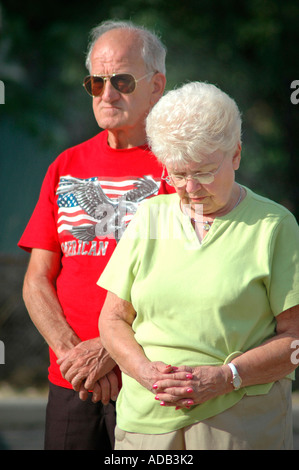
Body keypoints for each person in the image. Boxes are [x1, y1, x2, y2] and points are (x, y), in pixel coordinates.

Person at [98, 81, 299, 450]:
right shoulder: (151, 216)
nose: (190, 188)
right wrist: (145, 373)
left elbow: (295, 337)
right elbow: (112, 319)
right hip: (145, 422)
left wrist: (227, 376)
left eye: (204, 172)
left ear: (235, 155)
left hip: (239, 425)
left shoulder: (274, 225)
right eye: (177, 174)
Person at [18, 20, 173, 450]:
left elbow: (181, 281)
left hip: (149, 381)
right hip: (72, 382)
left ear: (156, 85)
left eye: (122, 80)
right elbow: (35, 280)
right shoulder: (65, 166)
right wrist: (74, 356)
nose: (107, 94)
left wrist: (110, 349)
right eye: (96, 82)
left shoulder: (181, 171)